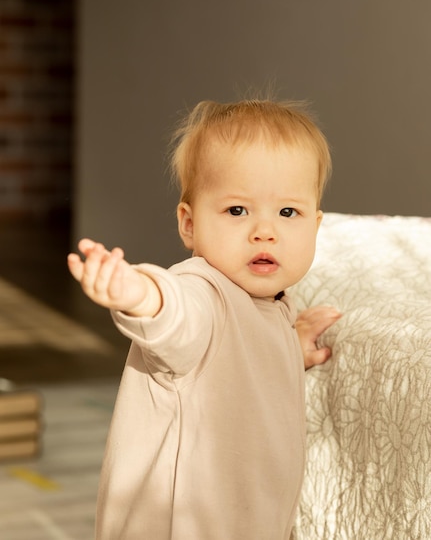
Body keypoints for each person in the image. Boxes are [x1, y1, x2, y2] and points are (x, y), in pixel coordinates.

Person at [68, 98, 341, 539]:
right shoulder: (203, 291)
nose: (264, 230)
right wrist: (136, 291)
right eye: (237, 210)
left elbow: (241, 361)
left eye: (288, 212)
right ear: (189, 224)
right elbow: (174, 315)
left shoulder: (272, 305)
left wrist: (291, 349)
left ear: (316, 225)